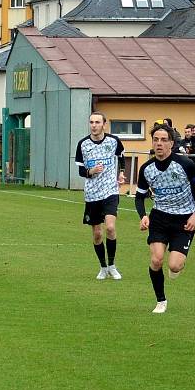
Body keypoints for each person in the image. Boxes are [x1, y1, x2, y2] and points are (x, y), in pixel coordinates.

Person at [135, 123, 195, 313]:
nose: (159, 143)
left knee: (174, 266)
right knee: (156, 260)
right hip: (159, 218)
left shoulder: (184, 164)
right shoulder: (146, 168)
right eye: (156, 140)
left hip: (184, 220)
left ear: (171, 143)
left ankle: (177, 266)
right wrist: (143, 215)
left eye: (163, 140)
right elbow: (139, 196)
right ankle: (161, 300)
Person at [75, 112, 126, 280]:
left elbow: (121, 157)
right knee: (97, 234)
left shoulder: (113, 141)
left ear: (104, 124)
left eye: (97, 122)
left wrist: (121, 173)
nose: (94, 125)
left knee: (110, 228)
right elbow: (81, 170)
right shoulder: (83, 144)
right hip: (92, 194)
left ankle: (112, 265)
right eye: (91, 122)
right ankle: (103, 267)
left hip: (110, 191)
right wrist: (91, 171)